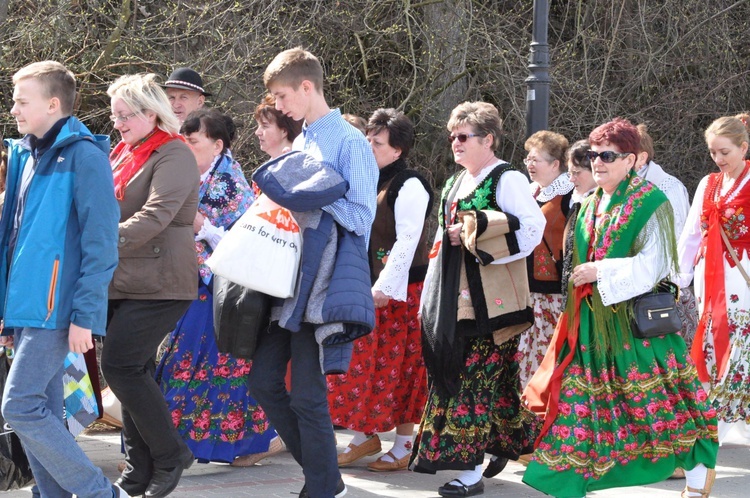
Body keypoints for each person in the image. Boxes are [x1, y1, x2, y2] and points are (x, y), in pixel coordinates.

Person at [523, 117, 718, 498]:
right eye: (594, 155)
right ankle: (567, 484)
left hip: (636, 329)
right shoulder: (591, 201)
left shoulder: (652, 201)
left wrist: (601, 271)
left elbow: (657, 264)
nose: (598, 162)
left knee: (659, 408)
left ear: (632, 160)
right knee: (579, 408)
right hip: (590, 327)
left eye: (607, 155)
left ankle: (697, 473)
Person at [246, 47, 378, 498]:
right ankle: (327, 479)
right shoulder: (304, 140)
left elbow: (362, 219)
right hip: (290, 280)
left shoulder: (350, 141)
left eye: (282, 96)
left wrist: (310, 195)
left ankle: (322, 486)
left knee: (305, 395)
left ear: (307, 87)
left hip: (323, 285)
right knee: (262, 380)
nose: (278, 106)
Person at [0, 61, 125, 497]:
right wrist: (7, 312)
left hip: (59, 309)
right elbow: (14, 240)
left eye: (21, 100)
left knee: (19, 405)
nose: (13, 109)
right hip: (30, 308)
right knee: (45, 409)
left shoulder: (85, 156)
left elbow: (102, 243)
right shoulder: (25, 155)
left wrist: (85, 315)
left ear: (52, 104)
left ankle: (99, 493)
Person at [411, 101, 545, 498]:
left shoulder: (508, 179)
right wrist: (428, 297)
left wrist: (479, 241)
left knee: (472, 380)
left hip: (492, 303)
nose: (455, 142)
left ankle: (470, 474)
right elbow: (439, 240)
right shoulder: (454, 183)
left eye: (463, 136)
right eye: (453, 135)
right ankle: (508, 443)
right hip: (453, 298)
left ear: (488, 140)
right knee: (491, 384)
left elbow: (532, 229)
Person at [155, 108, 286, 466]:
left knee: (189, 367)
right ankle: (243, 443)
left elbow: (246, 241)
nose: (184, 146)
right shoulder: (182, 176)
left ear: (217, 145)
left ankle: (168, 452)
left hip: (216, 290)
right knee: (197, 368)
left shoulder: (232, 185)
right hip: (181, 283)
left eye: (192, 140)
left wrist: (203, 226)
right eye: (182, 139)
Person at [101, 73, 199, 498]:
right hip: (123, 280)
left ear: (149, 112)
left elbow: (157, 216)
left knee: (121, 367)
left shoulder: (174, 153)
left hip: (163, 282)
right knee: (131, 371)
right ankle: (140, 468)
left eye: (124, 115)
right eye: (114, 115)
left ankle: (171, 454)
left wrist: (100, 242)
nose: (117, 123)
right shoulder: (125, 151)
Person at [327, 108, 432, 472]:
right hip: (370, 286)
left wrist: (385, 284)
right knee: (364, 366)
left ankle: (404, 444)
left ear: (397, 150)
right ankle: (364, 434)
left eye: (377, 142)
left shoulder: (409, 183)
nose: (369, 146)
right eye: (368, 139)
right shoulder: (367, 180)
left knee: (402, 367)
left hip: (402, 293)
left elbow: (408, 239)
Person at [677, 114, 750, 447]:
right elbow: (692, 234)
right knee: (715, 343)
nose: (719, 160)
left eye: (725, 152)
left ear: (743, 148)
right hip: (709, 278)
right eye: (713, 153)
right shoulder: (708, 183)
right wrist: (680, 278)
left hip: (742, 276)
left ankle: (715, 427)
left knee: (738, 346)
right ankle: (724, 419)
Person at [518, 131, 574, 389]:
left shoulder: (569, 195)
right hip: (526, 290)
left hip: (554, 293)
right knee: (524, 357)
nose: (530, 164)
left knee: (550, 355)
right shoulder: (528, 192)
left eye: (536, 159)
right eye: (528, 158)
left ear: (555, 164)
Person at [635, 124, 697, 352]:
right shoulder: (617, 186)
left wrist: (674, 284)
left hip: (663, 286)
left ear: (641, 157)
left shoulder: (668, 187)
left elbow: (681, 236)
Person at [254, 93, 303, 159]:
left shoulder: (301, 162)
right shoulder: (272, 166)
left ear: (284, 131)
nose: (257, 132)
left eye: (264, 126)